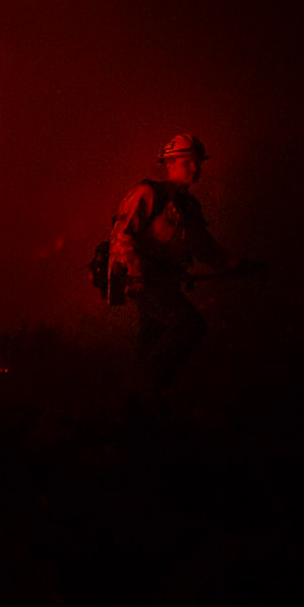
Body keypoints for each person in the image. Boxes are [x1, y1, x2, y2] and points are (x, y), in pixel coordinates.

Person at [107, 133, 253, 405]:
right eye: (188, 163)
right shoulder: (148, 194)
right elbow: (122, 237)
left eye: (198, 163)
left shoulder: (188, 207)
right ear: (170, 164)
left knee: (153, 342)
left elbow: (205, 249)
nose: (196, 169)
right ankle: (149, 392)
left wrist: (239, 266)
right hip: (146, 283)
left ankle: (139, 406)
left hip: (165, 282)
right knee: (189, 325)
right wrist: (136, 271)